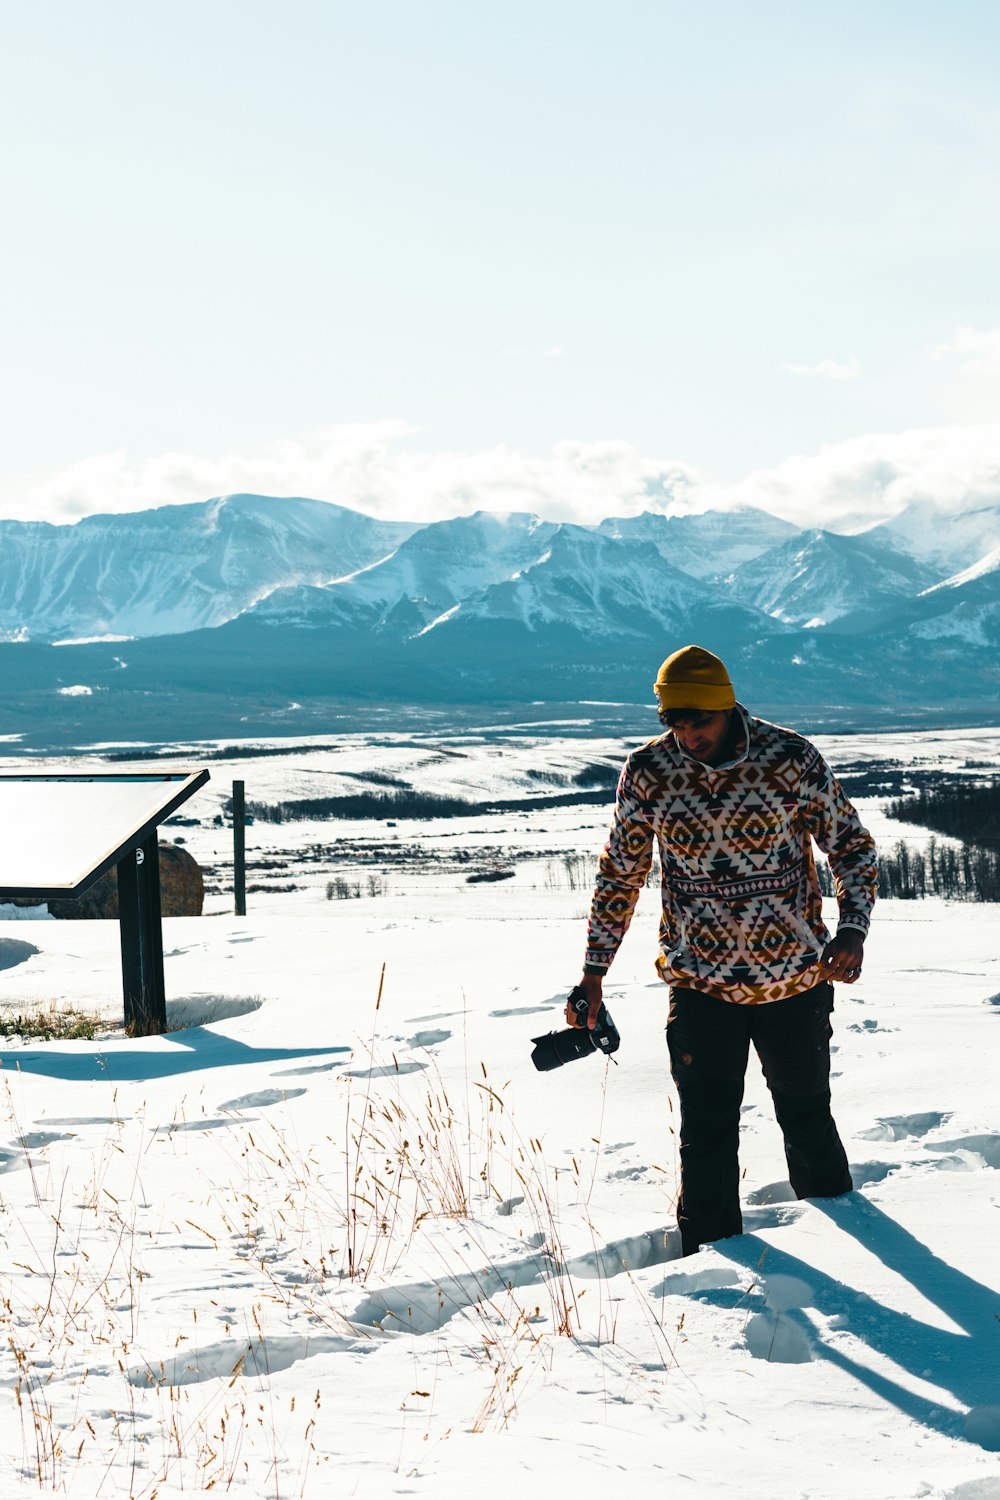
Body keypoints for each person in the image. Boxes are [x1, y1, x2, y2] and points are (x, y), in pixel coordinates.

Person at [570, 644, 878, 1256]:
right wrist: (593, 971)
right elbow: (619, 874)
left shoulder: (790, 758)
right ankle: (709, 1263)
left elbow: (852, 848)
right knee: (705, 1131)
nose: (686, 735)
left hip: (795, 979)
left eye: (697, 721)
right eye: (672, 722)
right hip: (700, 982)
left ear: (725, 707)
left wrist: (852, 928)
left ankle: (848, 1251)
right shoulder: (648, 772)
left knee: (807, 1115)